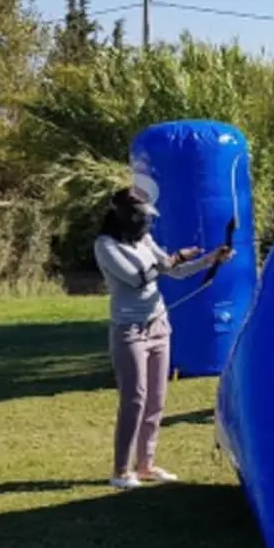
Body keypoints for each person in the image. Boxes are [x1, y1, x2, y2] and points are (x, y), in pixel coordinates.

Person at [92, 186, 234, 490]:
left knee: (156, 398)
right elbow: (139, 277)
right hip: (129, 329)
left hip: (158, 324)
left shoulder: (144, 239)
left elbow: (176, 271)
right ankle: (121, 470)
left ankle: (146, 464)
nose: (146, 224)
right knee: (135, 398)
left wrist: (211, 260)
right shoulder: (105, 245)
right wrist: (173, 258)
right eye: (141, 217)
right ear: (126, 216)